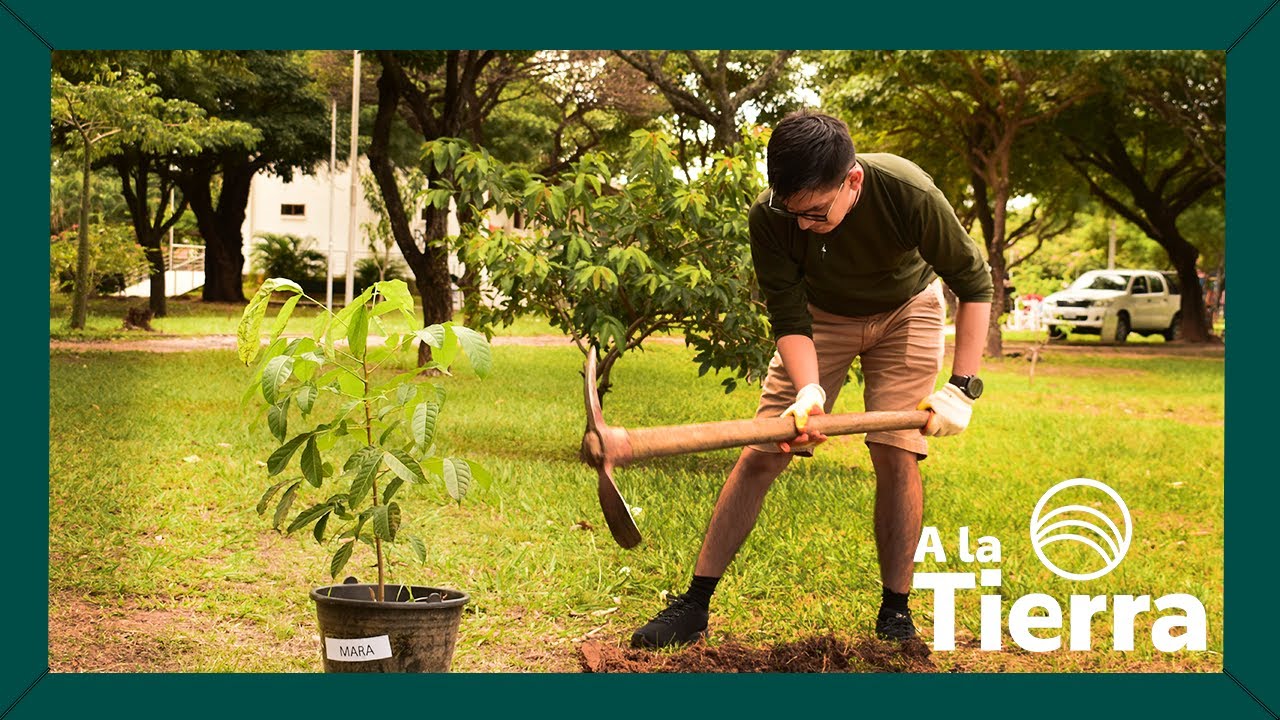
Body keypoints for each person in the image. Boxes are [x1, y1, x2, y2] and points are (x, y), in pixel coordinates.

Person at [630, 109, 993, 649]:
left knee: (896, 451)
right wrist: (809, 390)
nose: (802, 224)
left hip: (907, 309)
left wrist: (962, 387)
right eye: (792, 211)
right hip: (821, 318)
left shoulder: (907, 190)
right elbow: (788, 316)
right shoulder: (771, 216)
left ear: (853, 181)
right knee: (763, 447)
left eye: (816, 213)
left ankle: (896, 612)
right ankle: (695, 603)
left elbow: (975, 283)